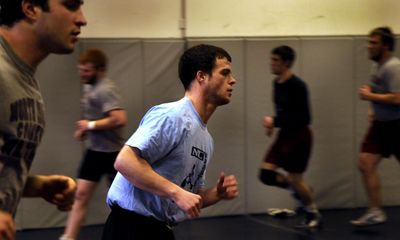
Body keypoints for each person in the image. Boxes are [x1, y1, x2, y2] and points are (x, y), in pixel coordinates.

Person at [101, 44, 239, 240]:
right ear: (201, 76)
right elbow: (124, 161)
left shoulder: (206, 139)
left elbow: (189, 194)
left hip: (160, 230)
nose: (232, 81)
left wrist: (216, 193)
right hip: (130, 227)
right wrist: (176, 193)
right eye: (225, 73)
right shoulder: (172, 116)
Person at [0, 0, 86, 239]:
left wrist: (36, 185)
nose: (82, 19)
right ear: (30, 9)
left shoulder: (24, 80)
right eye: (71, 6)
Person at [60, 49, 127, 240]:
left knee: (122, 203)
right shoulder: (89, 86)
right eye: (81, 70)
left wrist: (89, 125)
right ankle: (68, 237)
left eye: (87, 71)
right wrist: (85, 129)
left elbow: (119, 119)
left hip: (114, 155)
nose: (83, 75)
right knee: (80, 195)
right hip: (95, 152)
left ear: (101, 69)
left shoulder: (106, 89)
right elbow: (96, 117)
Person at [258, 45, 322, 228]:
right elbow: (282, 111)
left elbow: (305, 118)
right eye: (271, 59)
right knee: (266, 174)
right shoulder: (276, 83)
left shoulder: (298, 86)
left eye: (275, 60)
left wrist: (274, 121)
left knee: (296, 178)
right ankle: (302, 191)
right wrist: (273, 124)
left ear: (286, 63)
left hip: (300, 136)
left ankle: (313, 213)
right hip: (284, 134)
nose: (271, 63)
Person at [350, 27, 400, 227]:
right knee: (365, 163)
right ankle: (375, 211)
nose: (368, 47)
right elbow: (380, 91)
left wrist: (370, 96)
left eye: (373, 43)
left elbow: (398, 98)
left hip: (397, 125)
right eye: (368, 42)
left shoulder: (393, 67)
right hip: (381, 125)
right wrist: (373, 105)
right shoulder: (375, 66)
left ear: (385, 46)